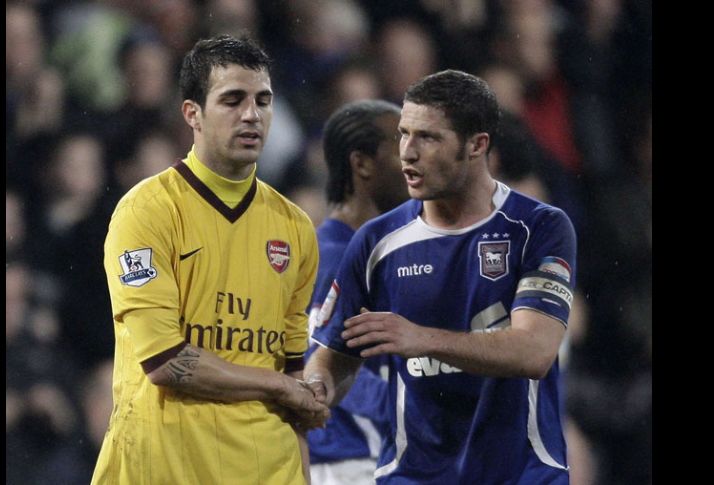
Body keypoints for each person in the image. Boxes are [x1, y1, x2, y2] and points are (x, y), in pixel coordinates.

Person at [305, 69, 576, 484]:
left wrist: (419, 338)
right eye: (402, 134)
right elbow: (334, 359)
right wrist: (317, 388)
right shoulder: (375, 242)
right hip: (412, 475)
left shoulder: (537, 227)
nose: (407, 153)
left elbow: (535, 352)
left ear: (476, 145)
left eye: (428, 138)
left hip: (521, 473)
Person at [91, 35, 329, 485]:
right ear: (192, 114)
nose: (251, 115)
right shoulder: (147, 211)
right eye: (232, 100)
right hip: (167, 467)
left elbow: (293, 373)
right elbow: (165, 361)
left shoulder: (296, 227)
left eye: (263, 100)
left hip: (268, 468)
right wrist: (278, 385)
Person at [307, 99, 408, 484]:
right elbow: (318, 361)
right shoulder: (335, 256)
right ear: (362, 163)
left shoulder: (371, 254)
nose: (414, 159)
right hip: (344, 462)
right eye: (401, 148)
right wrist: (416, 405)